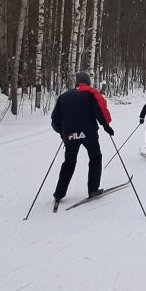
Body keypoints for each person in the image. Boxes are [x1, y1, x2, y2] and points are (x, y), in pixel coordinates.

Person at [51, 72, 114, 203]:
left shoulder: (63, 97)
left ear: (76, 82)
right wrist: (106, 126)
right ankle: (93, 189)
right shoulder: (90, 94)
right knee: (95, 158)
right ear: (88, 82)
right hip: (89, 133)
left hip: (70, 135)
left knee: (68, 163)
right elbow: (99, 111)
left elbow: (55, 120)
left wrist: (63, 134)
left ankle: (59, 194)